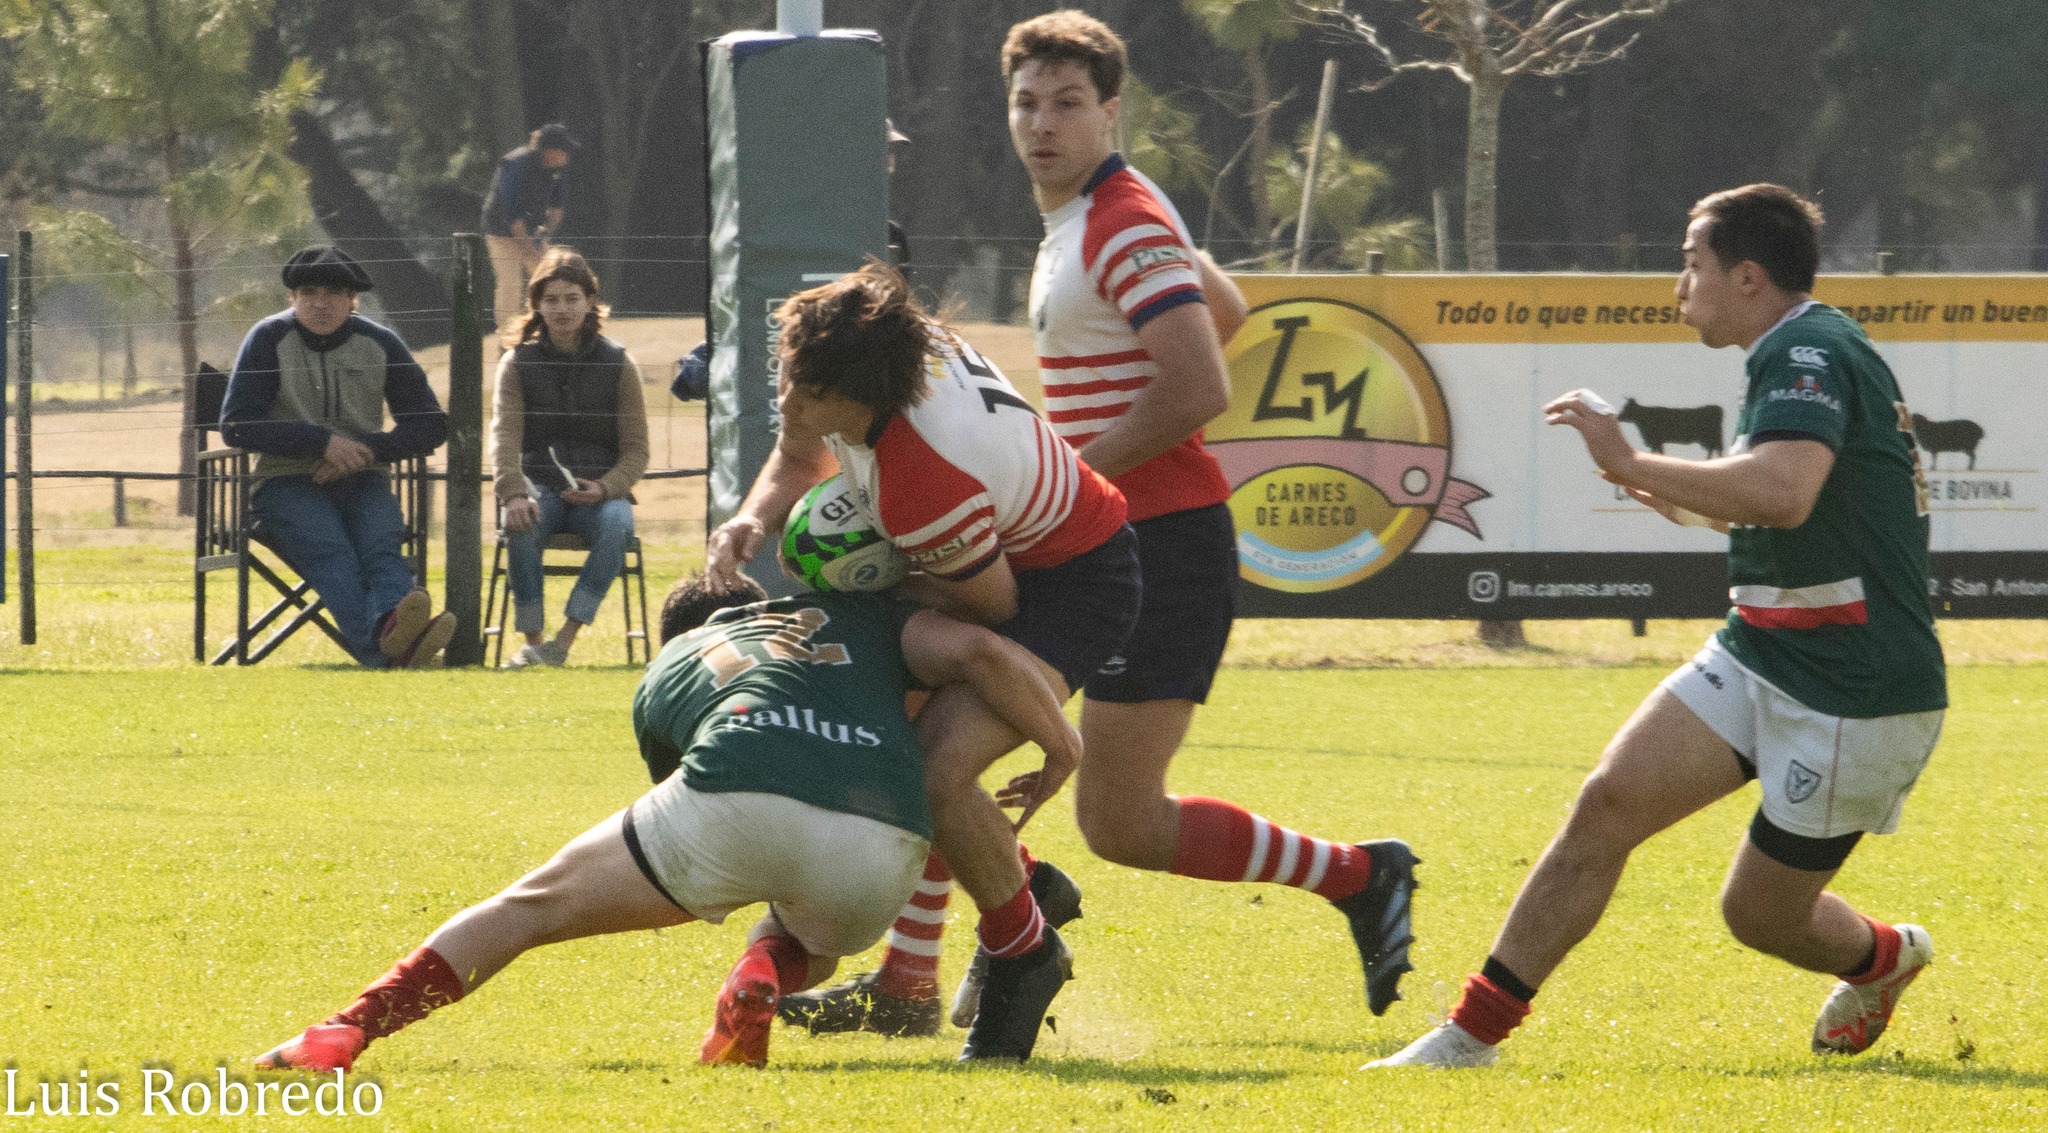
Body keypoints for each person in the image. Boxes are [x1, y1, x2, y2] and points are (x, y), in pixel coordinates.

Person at [808, 9, 1419, 1033]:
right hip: (1096, 538)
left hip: (1157, 542)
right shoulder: (1095, 216)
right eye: (1025, 103)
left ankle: (1360, 873)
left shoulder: (1120, 219)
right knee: (940, 736)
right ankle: (913, 977)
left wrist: (1062, 477)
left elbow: (1199, 383)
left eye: (1067, 103)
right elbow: (1223, 307)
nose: (1042, 124)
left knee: (1122, 821)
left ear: (1110, 112)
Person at [1370, 184, 1947, 1069]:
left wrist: (1631, 456)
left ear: (1747, 277)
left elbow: (1784, 490)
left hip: (1858, 684)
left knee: (1758, 917)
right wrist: (1666, 489)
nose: (1679, 285)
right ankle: (1469, 1036)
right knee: (1606, 804)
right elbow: (1806, 505)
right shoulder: (1805, 343)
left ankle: (1883, 958)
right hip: (1764, 647)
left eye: (1691, 264)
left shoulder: (1805, 347)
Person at [254, 571, 1083, 1073]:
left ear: (671, 637)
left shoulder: (668, 666)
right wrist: (1059, 742)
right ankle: (762, 968)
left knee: (529, 908)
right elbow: (982, 655)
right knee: (818, 938)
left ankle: (345, 1029)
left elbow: (694, 798)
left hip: (732, 800)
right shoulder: (856, 619)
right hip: (883, 842)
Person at [706, 264, 1135, 1060]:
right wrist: (753, 519)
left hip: (1072, 582)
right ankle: (976, 925)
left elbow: (992, 609)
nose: (788, 398)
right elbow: (798, 453)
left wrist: (865, 575)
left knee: (932, 770)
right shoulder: (870, 355)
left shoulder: (922, 480)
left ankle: (1024, 954)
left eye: (808, 390)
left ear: (860, 399)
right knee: (893, 742)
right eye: (786, 373)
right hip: (1001, 549)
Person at [221, 246, 454, 669]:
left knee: (381, 544)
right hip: (283, 481)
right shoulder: (268, 338)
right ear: (292, 297)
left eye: (333, 292)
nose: (320, 302)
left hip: (364, 477)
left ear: (352, 299)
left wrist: (367, 451)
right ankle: (394, 646)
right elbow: (237, 425)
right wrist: (322, 443)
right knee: (332, 552)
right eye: (309, 292)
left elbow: (431, 424)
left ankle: (392, 633)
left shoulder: (381, 343)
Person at [491, 247, 649, 668]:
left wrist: (607, 488)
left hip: (598, 493)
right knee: (521, 523)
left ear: (590, 301)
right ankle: (533, 641)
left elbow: (637, 450)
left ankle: (562, 642)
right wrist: (513, 493)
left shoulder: (619, 363)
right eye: (551, 300)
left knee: (619, 521)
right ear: (537, 305)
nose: (561, 309)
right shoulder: (516, 363)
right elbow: (504, 437)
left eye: (572, 299)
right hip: (538, 487)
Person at [482, 123, 575, 334]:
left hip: (531, 231)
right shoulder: (516, 165)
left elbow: (556, 210)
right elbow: (513, 217)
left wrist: (543, 237)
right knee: (511, 284)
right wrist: (530, 248)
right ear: (549, 150)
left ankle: (544, 331)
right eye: (564, 149)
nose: (567, 154)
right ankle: (508, 339)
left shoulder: (557, 169)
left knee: (548, 279)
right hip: (500, 232)